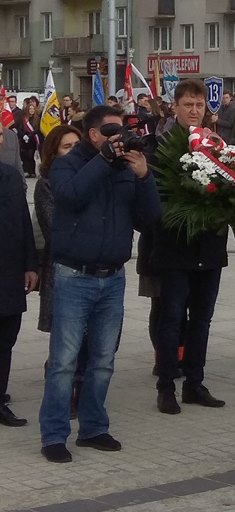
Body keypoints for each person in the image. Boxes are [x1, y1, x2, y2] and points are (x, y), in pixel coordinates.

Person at [39, 105, 160, 462]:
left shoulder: (125, 166)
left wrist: (143, 177)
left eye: (122, 131)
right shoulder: (68, 164)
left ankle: (93, 428)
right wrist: (103, 161)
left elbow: (149, 219)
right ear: (94, 134)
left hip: (112, 277)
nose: (119, 137)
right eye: (112, 131)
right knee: (63, 361)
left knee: (104, 360)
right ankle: (54, 435)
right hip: (73, 276)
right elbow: (71, 196)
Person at [152, 81, 230, 416]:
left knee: (202, 320)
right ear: (175, 107)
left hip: (209, 248)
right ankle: (166, 386)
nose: (194, 110)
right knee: (172, 321)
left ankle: (194, 384)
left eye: (199, 105)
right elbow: (156, 197)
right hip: (174, 250)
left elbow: (230, 188)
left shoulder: (218, 145)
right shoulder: (161, 146)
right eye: (187, 104)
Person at [0, 158, 38, 427]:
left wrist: (30, 265)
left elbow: (23, 221)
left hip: (9, 271)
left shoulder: (11, 176)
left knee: (5, 339)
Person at [33, 126, 82, 335]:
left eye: (77, 146)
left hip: (94, 270)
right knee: (65, 346)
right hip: (63, 271)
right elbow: (55, 227)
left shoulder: (94, 176)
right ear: (54, 153)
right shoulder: (46, 185)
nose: (73, 151)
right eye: (67, 146)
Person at [17, 101, 41, 178]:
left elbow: (37, 129)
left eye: (33, 109)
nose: (31, 110)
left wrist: (30, 136)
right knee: (24, 155)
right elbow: (19, 128)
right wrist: (23, 136)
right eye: (30, 109)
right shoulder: (23, 119)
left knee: (30, 155)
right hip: (23, 139)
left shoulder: (37, 119)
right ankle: (26, 171)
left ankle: (32, 171)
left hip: (32, 139)